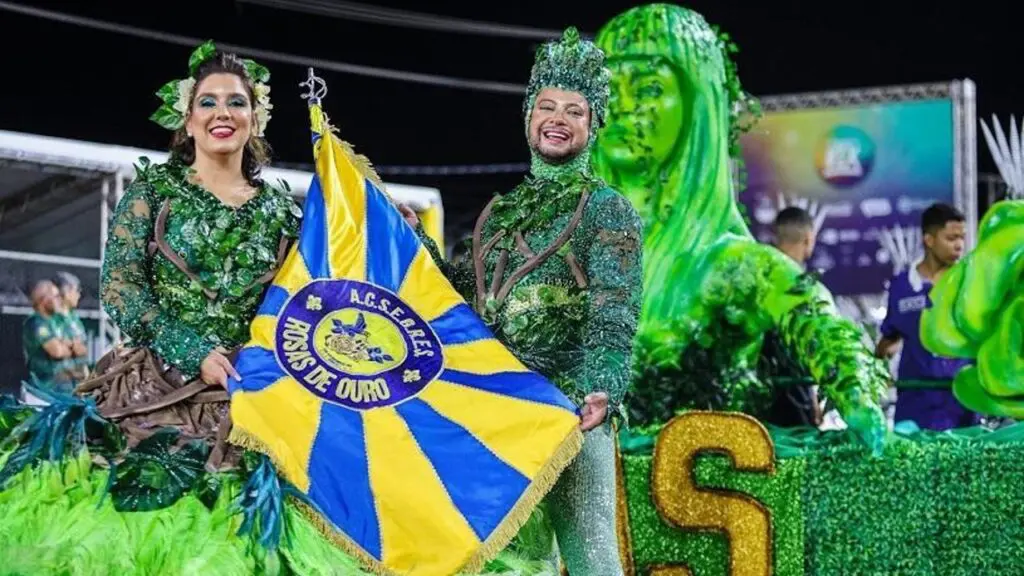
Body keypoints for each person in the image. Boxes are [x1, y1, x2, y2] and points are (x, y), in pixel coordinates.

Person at [404, 28, 642, 576]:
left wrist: (600, 389)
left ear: (593, 125)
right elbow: (455, 300)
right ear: (528, 116)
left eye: (575, 111)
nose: (558, 118)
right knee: (503, 561)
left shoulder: (606, 210)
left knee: (592, 560)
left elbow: (615, 310)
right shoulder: (497, 215)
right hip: (498, 412)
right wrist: (413, 242)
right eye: (547, 106)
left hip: (572, 412)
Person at [81, 42, 300, 464]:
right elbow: (120, 288)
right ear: (188, 119)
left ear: (255, 120)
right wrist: (191, 351)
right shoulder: (153, 192)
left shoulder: (285, 214)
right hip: (154, 394)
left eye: (237, 102)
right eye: (208, 102)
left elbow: (316, 295)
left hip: (254, 396)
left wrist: (403, 237)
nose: (223, 112)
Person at [876, 202, 977, 430]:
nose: (959, 245)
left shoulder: (970, 281)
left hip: (962, 406)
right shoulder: (901, 286)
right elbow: (890, 340)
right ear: (929, 240)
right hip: (914, 405)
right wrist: (875, 369)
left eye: (962, 237)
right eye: (951, 238)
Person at [762, 206, 823, 428]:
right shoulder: (807, 289)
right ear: (809, 239)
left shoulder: (757, 279)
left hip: (755, 397)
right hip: (796, 397)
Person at [21, 280, 76, 396]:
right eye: (56, 296)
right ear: (44, 299)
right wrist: (68, 346)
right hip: (40, 392)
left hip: (58, 392)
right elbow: (57, 351)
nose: (59, 300)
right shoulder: (36, 322)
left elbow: (75, 347)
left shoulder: (54, 322)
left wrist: (67, 345)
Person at [52, 271, 90, 379]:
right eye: (77, 290)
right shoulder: (49, 320)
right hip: (54, 388)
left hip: (75, 387)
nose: (79, 294)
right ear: (66, 291)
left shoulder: (74, 319)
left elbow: (82, 359)